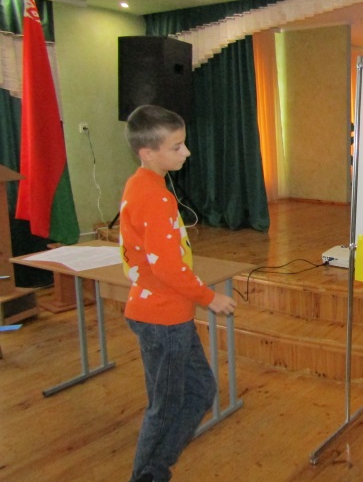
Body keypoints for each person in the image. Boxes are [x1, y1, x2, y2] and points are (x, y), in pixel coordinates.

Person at [120, 104, 236, 482]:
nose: (186, 152)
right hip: (163, 319)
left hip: (169, 315)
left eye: (183, 143)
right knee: (166, 406)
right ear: (148, 153)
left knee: (201, 390)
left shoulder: (144, 184)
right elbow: (167, 267)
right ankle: (146, 475)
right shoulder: (153, 196)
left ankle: (156, 469)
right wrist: (209, 297)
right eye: (176, 147)